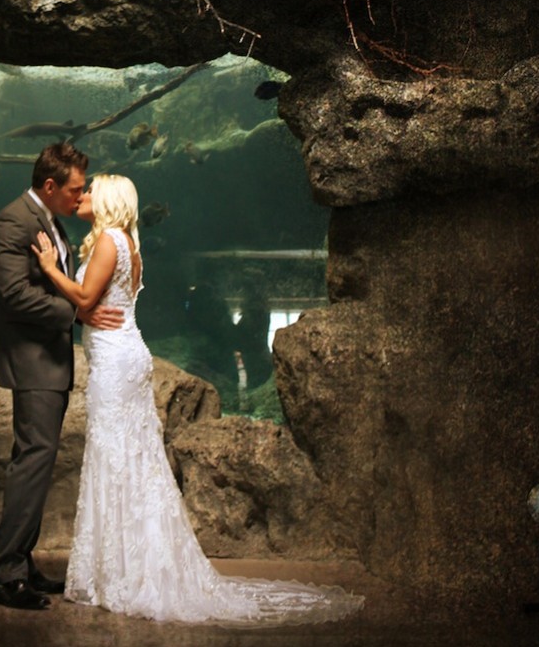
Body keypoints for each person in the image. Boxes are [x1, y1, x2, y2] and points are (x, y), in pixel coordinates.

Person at [33, 173, 364, 624]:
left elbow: (87, 297)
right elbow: (94, 306)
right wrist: (84, 309)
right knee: (130, 461)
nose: (84, 195)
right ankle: (126, 568)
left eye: (91, 190)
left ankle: (123, 573)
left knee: (115, 459)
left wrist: (51, 269)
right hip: (124, 355)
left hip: (115, 363)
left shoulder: (109, 241)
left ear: (109, 201)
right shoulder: (127, 242)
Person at [0, 141, 123, 611]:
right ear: (49, 186)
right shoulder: (10, 222)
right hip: (32, 360)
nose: (81, 198)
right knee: (33, 460)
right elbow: (14, 296)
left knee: (38, 462)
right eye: (76, 189)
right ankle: (4, 576)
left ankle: (21, 563)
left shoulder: (48, 218)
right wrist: (75, 314)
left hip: (50, 360)